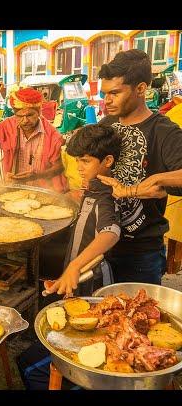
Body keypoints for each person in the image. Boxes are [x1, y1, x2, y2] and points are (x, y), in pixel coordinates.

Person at [92, 49, 182, 285]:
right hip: (102, 240)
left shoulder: (164, 132)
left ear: (141, 89)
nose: (107, 101)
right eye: (104, 94)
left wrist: (154, 181)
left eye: (115, 93)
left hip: (141, 253)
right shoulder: (107, 124)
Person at [44, 124, 122, 297]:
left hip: (93, 278)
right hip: (77, 273)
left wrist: (75, 265)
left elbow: (110, 233)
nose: (79, 167)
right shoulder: (93, 187)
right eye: (77, 160)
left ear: (108, 161)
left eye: (85, 161)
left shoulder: (106, 196)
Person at [0, 87, 66, 192]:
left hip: (42, 190)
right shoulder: (8, 125)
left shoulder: (52, 135)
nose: (25, 120)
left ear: (39, 112)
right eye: (20, 116)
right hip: (13, 188)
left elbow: (59, 167)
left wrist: (36, 175)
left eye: (30, 115)